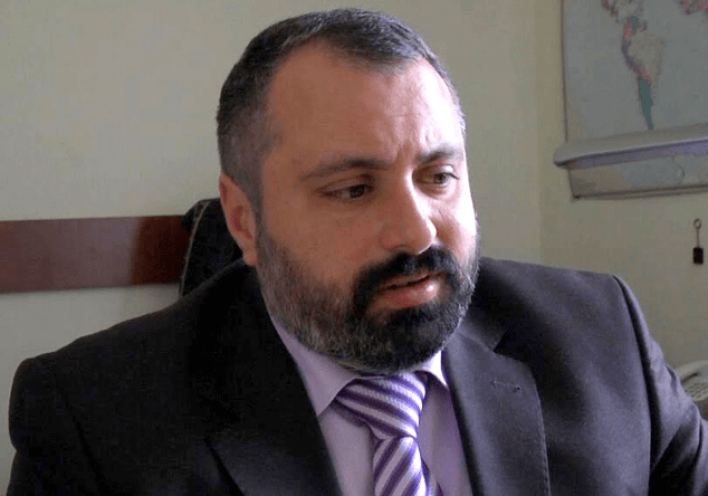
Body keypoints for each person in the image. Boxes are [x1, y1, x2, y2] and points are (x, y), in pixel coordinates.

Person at [7, 8, 708, 496]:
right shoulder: (97, 419)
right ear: (244, 221)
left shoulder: (601, 336)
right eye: (352, 189)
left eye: (438, 177)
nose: (416, 233)